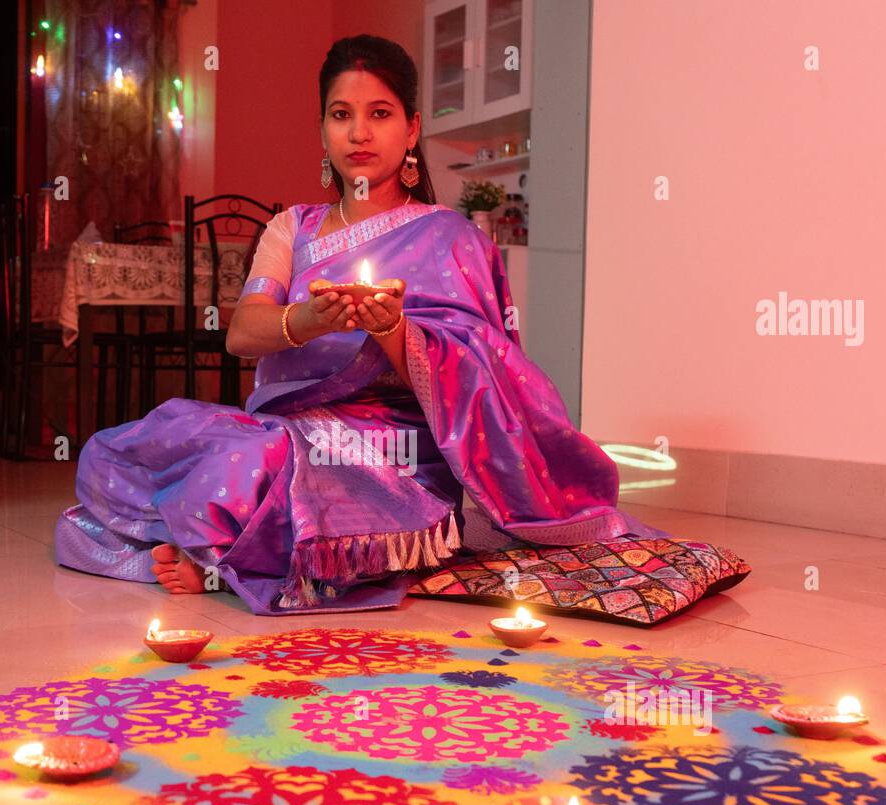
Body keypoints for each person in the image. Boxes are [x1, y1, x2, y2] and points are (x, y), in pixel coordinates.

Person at [54, 34, 664, 614]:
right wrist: (311, 319)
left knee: (269, 467)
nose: (359, 133)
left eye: (379, 113)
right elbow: (243, 333)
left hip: (402, 449)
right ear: (322, 132)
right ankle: (237, 540)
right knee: (130, 450)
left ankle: (225, 557)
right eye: (341, 115)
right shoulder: (293, 228)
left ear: (412, 129)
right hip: (294, 427)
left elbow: (491, 374)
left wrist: (396, 334)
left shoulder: (453, 237)